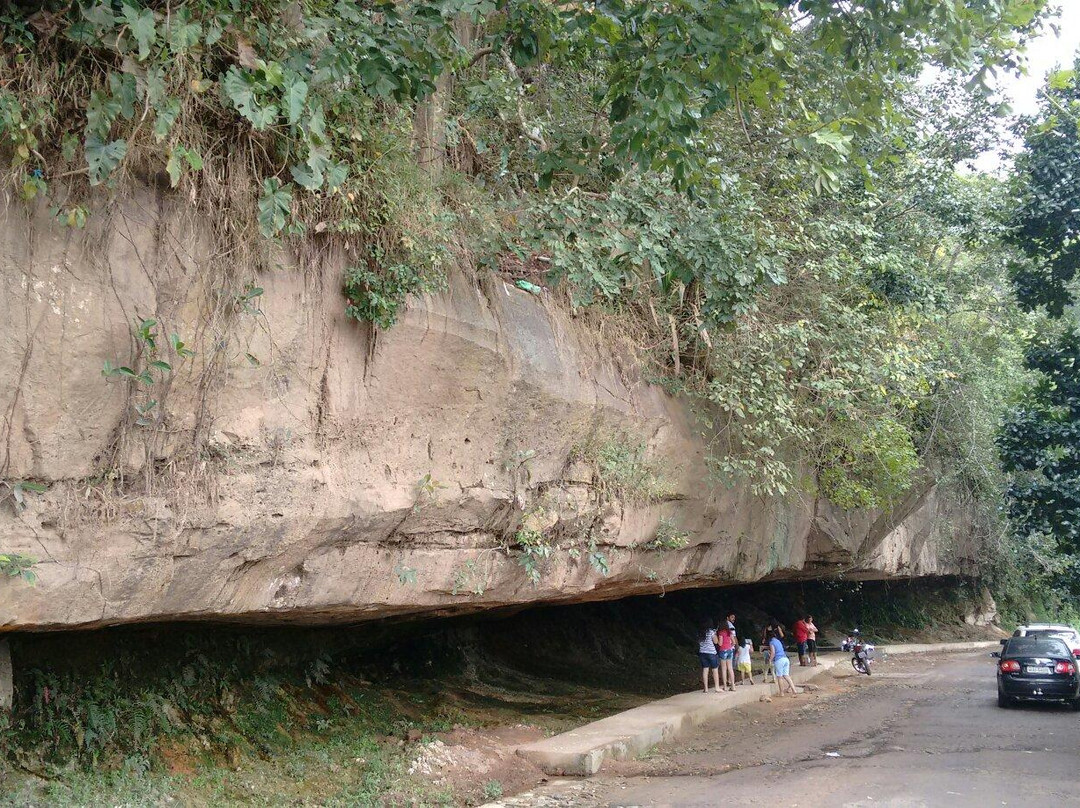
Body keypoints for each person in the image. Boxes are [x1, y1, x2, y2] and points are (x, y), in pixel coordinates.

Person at [766, 629, 797, 697]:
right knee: (786, 675)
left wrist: (770, 660)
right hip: (785, 658)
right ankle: (794, 690)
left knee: (779, 677)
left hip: (779, 660)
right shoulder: (778, 641)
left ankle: (781, 693)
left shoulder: (771, 642)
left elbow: (773, 653)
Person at [697, 618, 723, 694]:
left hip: (702, 653)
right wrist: (715, 634)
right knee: (715, 670)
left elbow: (699, 643)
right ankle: (717, 688)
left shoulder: (699, 632)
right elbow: (716, 641)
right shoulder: (711, 632)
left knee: (705, 670)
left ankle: (705, 689)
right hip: (711, 653)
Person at [717, 613, 736, 692]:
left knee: (724, 669)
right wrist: (730, 645)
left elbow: (720, 643)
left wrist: (717, 642)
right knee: (730, 668)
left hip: (723, 651)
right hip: (730, 650)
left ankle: (725, 686)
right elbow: (734, 642)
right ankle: (733, 686)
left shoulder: (721, 632)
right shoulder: (729, 632)